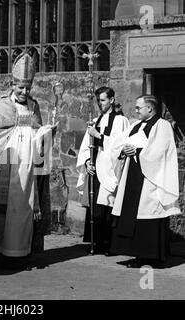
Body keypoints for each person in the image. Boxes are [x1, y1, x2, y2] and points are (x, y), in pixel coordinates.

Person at [0, 53, 54, 269]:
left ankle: (20, 252)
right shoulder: (0, 105)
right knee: (0, 211)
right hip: (6, 165)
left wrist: (47, 133)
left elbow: (39, 135)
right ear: (12, 84)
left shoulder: (34, 107)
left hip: (27, 170)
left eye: (28, 88)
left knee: (23, 211)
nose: (24, 92)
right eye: (20, 88)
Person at [109, 95, 181, 267]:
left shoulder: (162, 126)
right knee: (132, 214)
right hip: (131, 175)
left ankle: (150, 256)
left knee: (147, 214)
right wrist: (124, 151)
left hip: (150, 179)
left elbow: (160, 151)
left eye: (138, 108)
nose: (135, 110)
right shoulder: (135, 126)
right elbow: (118, 145)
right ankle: (136, 254)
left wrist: (138, 151)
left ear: (149, 108)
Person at [76, 87, 130, 255]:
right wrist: (87, 162)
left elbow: (118, 145)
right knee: (96, 207)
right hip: (95, 169)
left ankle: (110, 244)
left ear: (112, 100)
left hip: (110, 169)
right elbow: (85, 146)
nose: (100, 104)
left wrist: (98, 135)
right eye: (98, 100)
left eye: (103, 100)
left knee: (108, 206)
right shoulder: (95, 119)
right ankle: (97, 242)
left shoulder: (121, 121)